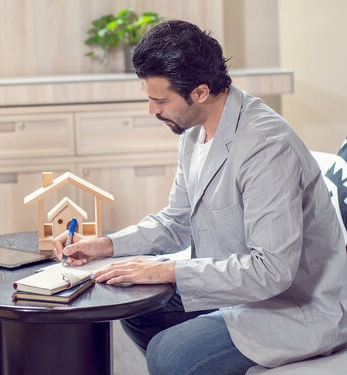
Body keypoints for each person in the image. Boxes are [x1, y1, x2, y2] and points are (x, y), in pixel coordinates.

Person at [54, 20, 347, 375]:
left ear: (201, 92)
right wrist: (105, 245)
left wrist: (166, 269)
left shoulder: (267, 147)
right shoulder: (195, 133)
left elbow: (272, 271)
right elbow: (176, 220)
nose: (151, 110)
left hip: (293, 306)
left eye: (160, 100)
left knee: (169, 354)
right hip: (238, 288)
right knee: (135, 307)